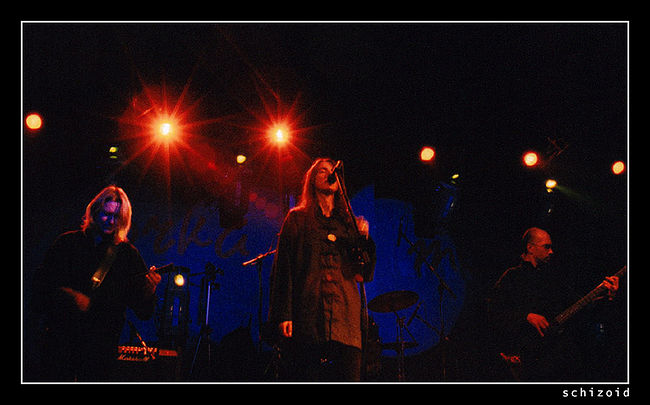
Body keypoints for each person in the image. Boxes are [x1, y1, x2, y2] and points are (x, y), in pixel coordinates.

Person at [30, 185, 162, 381]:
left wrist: (149, 290)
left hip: (100, 352)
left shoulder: (128, 255)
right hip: (60, 345)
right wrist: (69, 296)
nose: (111, 221)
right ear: (94, 211)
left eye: (117, 217)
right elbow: (38, 292)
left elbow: (143, 312)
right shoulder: (67, 243)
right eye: (106, 214)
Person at [268, 158, 376, 381]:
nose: (329, 174)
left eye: (332, 171)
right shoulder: (297, 219)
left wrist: (364, 239)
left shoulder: (348, 225)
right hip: (309, 316)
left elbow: (363, 273)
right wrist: (284, 314)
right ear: (312, 181)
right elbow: (284, 269)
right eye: (322, 171)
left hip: (345, 320)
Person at [486, 227, 619, 381]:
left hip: (556, 360)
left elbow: (581, 306)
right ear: (530, 248)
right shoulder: (512, 277)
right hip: (525, 359)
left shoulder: (553, 278)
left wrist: (606, 295)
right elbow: (493, 310)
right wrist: (526, 316)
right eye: (546, 247)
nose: (551, 252)